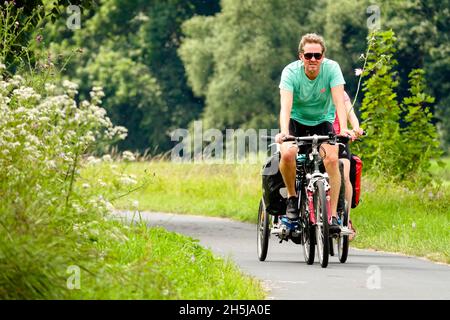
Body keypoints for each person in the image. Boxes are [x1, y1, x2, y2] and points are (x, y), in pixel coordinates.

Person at [275, 33, 355, 233]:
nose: (313, 60)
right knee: (287, 153)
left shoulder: (332, 69)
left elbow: (339, 101)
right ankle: (293, 200)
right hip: (295, 122)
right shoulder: (290, 72)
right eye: (308, 55)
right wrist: (285, 132)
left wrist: (343, 128)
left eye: (317, 56)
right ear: (301, 56)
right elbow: (285, 106)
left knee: (332, 159)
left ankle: (334, 215)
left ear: (323, 56)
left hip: (322, 122)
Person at [333, 91, 364, 239]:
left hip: (339, 138)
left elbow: (350, 114)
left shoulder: (340, 93)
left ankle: (345, 219)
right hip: (316, 137)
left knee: (344, 173)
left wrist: (356, 128)